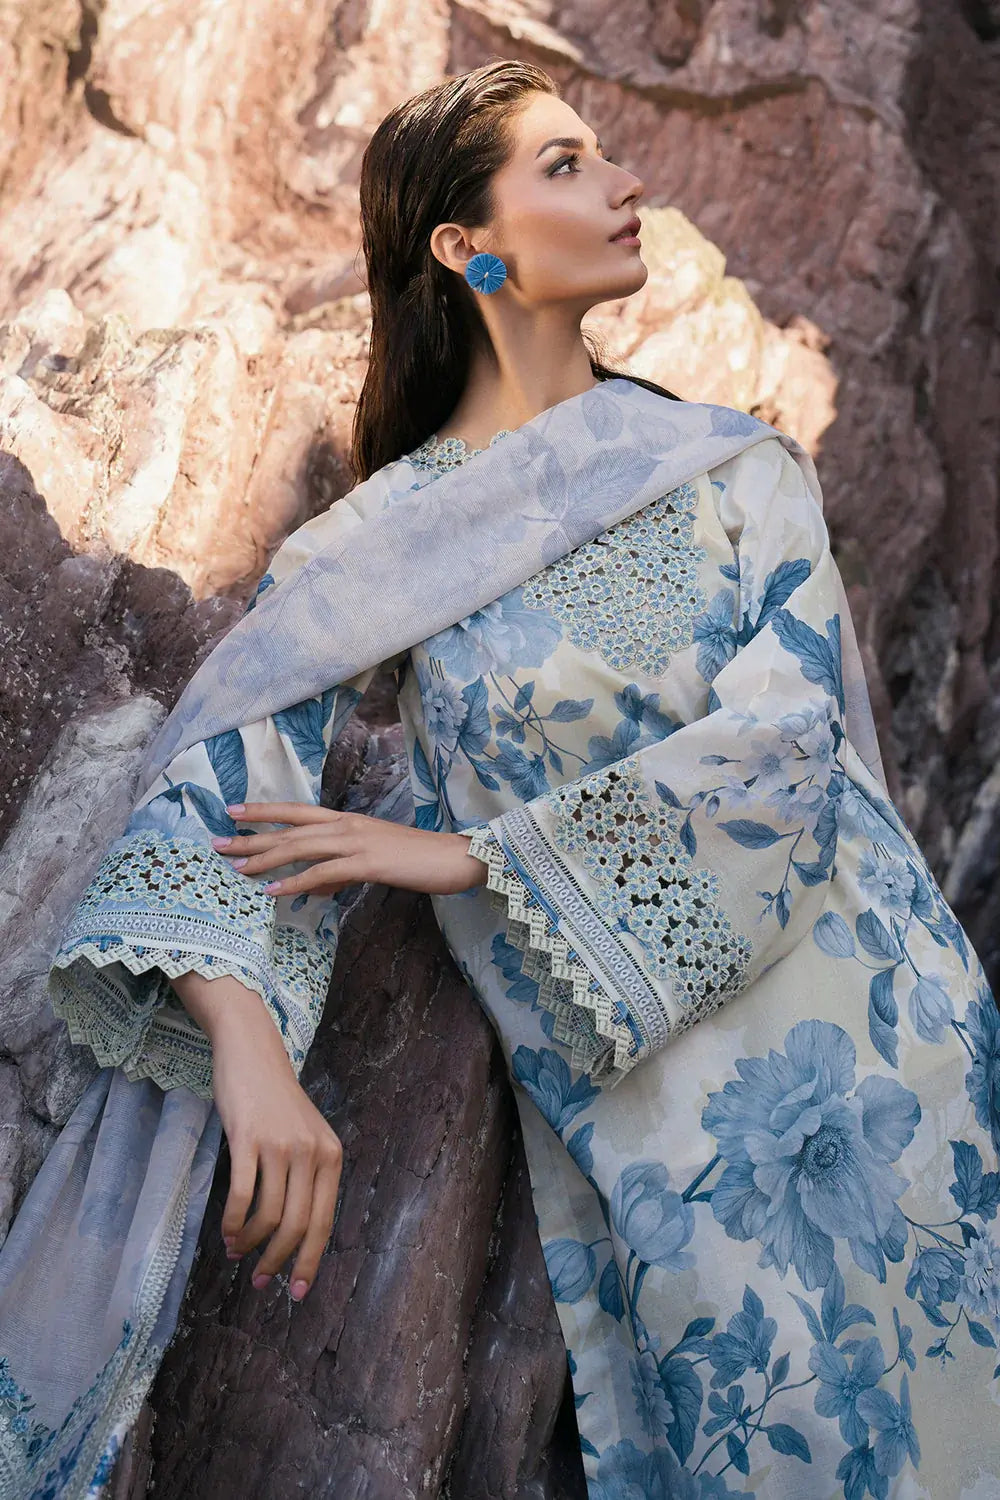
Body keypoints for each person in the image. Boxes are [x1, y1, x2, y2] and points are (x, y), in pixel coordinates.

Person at [1, 55, 998, 1500]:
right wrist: (247, 1046)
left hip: (896, 1054)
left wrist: (465, 856)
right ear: (462, 248)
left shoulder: (736, 475)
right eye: (568, 163)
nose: (627, 182)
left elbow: (789, 761)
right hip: (672, 1136)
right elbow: (217, 776)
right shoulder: (372, 551)